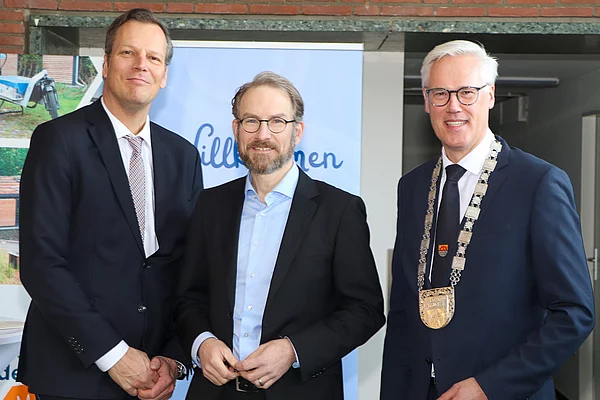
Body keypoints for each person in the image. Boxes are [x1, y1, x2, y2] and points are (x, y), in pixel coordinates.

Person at [380, 40, 594, 400]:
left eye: (467, 92)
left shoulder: (538, 183)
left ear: (490, 95)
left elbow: (574, 313)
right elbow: (402, 307)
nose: (454, 107)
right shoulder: (412, 186)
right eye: (440, 94)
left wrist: (489, 386)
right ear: (426, 100)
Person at [17, 8, 203, 400]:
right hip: (74, 375)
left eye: (153, 58)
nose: (141, 65)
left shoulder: (183, 156)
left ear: (164, 75)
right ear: (105, 64)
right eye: (128, 53)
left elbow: (189, 267)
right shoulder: (58, 140)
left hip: (153, 377)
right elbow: (41, 263)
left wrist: (172, 358)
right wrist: (113, 355)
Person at [176, 71, 385, 400]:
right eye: (251, 121)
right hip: (215, 392)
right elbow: (189, 297)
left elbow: (365, 310)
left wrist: (293, 350)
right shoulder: (210, 205)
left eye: (277, 122)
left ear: (297, 131)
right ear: (236, 129)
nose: (263, 134)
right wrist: (202, 342)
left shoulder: (339, 211)